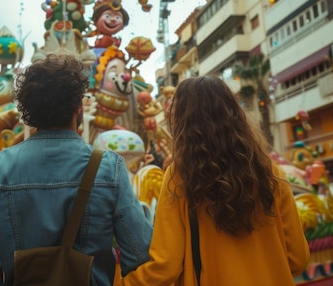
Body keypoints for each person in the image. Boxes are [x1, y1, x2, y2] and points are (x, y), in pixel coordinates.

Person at [0, 54, 152, 285]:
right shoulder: (109, 167)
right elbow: (140, 255)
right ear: (78, 109)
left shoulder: (0, 169)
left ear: (28, 112)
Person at [122, 76, 310, 285]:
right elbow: (298, 260)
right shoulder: (271, 173)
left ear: (184, 122)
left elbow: (167, 266)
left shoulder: (180, 177)